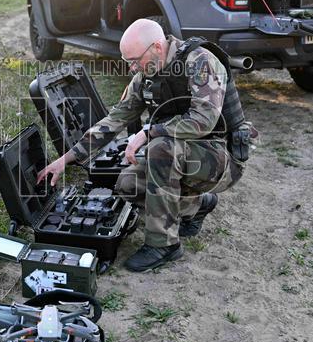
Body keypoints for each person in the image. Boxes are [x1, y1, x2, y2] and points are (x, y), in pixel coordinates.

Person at [37, 19, 251, 272]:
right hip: (184, 154)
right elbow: (115, 119)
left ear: (157, 48)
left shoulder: (200, 61)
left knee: (161, 149)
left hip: (220, 157)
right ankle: (198, 204)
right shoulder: (146, 76)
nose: (132, 68)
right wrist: (67, 158)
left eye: (135, 60)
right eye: (128, 61)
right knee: (128, 185)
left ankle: (164, 245)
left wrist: (150, 131)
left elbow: (203, 121)